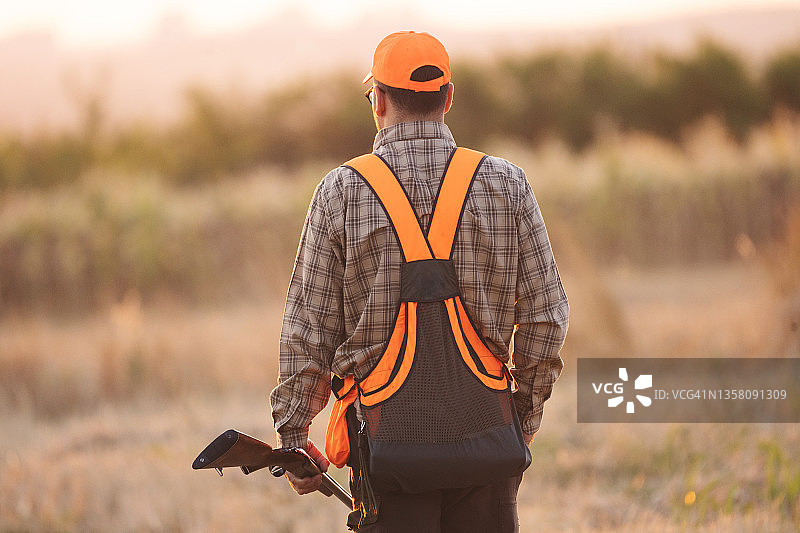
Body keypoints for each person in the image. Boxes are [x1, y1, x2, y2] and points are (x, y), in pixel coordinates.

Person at [270, 30, 568, 532]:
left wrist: (295, 436)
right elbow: (546, 317)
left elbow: (307, 327)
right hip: (488, 448)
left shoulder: (341, 191)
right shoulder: (507, 182)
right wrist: (519, 421)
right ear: (448, 98)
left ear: (378, 101)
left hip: (387, 458)